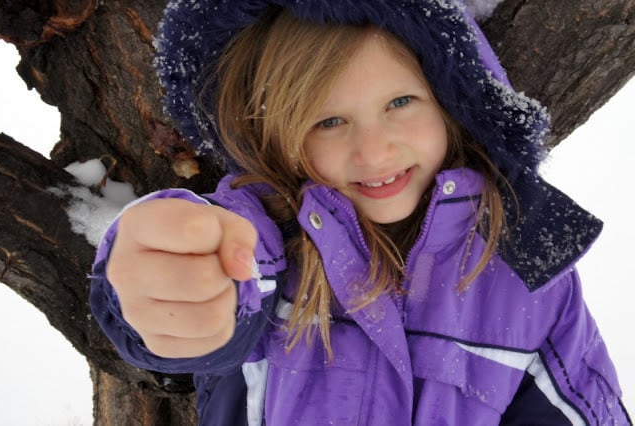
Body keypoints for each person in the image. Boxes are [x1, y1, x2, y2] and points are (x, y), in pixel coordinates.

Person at [89, 0, 632, 424]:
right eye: (328, 122)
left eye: (400, 103)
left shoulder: (523, 270)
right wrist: (166, 279)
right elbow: (199, 291)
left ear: (451, 103)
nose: (374, 152)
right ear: (278, 138)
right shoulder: (262, 237)